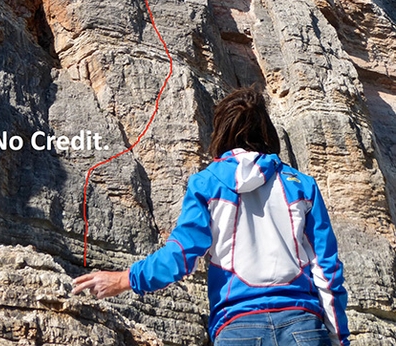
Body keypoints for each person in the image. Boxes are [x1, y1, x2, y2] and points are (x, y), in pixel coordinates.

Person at [73, 85, 350, 345]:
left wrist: (123, 280)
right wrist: (339, 338)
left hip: (238, 328)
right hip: (303, 326)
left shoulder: (206, 184)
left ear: (221, 130)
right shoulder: (301, 185)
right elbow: (327, 270)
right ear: (267, 130)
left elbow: (181, 256)